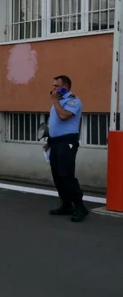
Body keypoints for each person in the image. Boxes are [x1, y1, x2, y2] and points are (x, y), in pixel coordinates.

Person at [44, 75, 88, 222]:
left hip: (67, 142)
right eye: (53, 86)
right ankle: (66, 204)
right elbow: (55, 123)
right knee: (57, 174)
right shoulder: (59, 102)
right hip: (56, 142)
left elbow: (63, 116)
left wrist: (55, 100)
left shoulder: (73, 101)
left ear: (66, 87)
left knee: (66, 175)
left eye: (57, 86)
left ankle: (80, 207)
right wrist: (50, 140)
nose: (53, 89)